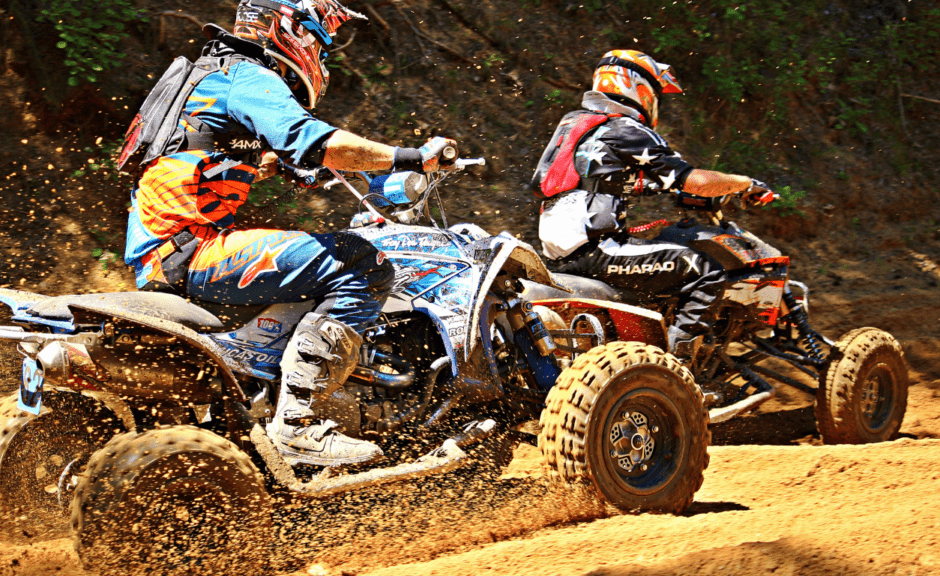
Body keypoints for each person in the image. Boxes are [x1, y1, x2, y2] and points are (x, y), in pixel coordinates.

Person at [120, 0, 457, 466]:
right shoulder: (248, 75)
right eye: (320, 41)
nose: (321, 54)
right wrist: (411, 157)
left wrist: (279, 164)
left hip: (158, 255)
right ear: (291, 30)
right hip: (196, 252)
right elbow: (316, 141)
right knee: (361, 261)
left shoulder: (200, 77)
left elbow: (198, 154)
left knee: (307, 255)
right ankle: (297, 423)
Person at [530, 49, 773, 359]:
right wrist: (745, 183)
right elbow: (695, 181)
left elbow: (596, 175)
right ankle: (676, 366)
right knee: (706, 271)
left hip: (558, 256)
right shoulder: (626, 128)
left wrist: (657, 185)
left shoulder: (575, 125)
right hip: (599, 252)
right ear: (640, 90)